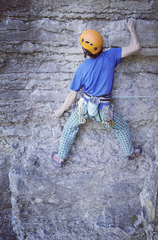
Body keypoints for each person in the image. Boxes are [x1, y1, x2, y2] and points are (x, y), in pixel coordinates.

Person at [52, 18, 142, 167]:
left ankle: (60, 158)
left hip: (85, 107)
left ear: (84, 50)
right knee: (122, 128)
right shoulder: (111, 56)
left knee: (70, 127)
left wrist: (61, 111)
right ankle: (130, 154)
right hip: (104, 110)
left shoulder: (82, 69)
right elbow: (136, 47)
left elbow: (72, 95)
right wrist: (131, 28)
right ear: (101, 46)